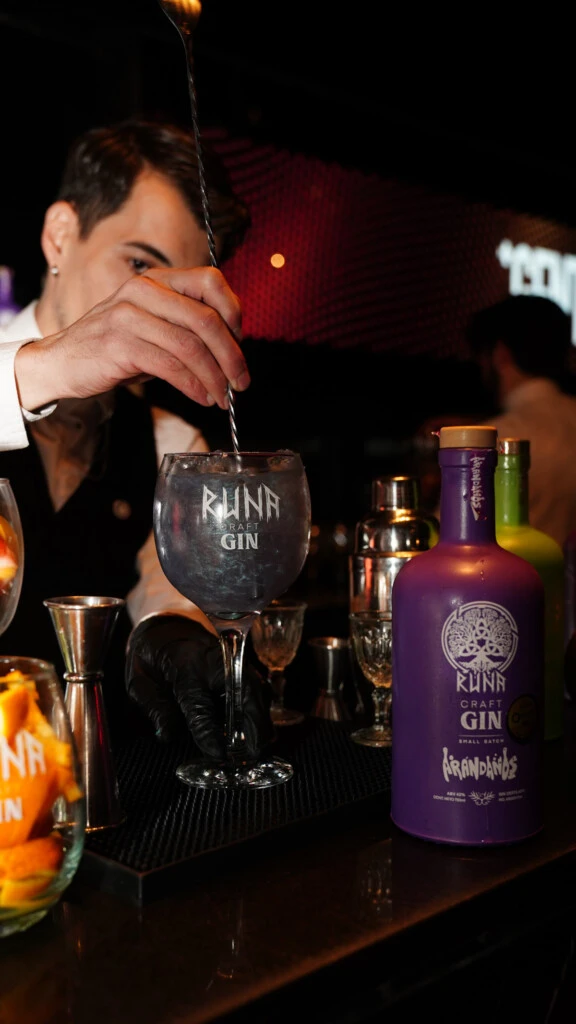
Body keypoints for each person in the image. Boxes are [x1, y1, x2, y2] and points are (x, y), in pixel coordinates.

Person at [0, 118, 271, 759]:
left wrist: (172, 631)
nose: (156, 308)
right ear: (60, 236)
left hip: (92, 783)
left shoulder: (173, 446)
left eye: (180, 289)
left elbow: (167, 589)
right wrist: (52, 365)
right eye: (139, 264)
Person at [465, 294, 576, 548]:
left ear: (500, 355)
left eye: (481, 356)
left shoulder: (491, 438)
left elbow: (455, 536)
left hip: (509, 574)